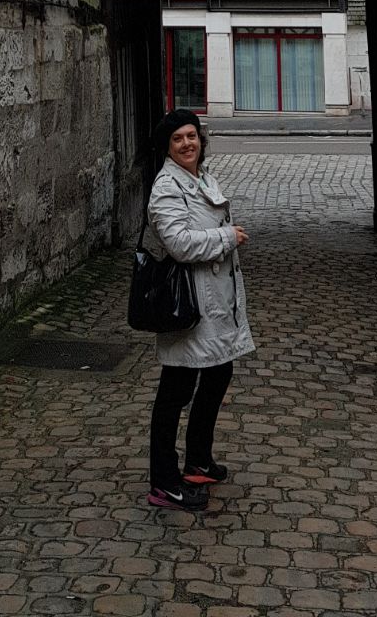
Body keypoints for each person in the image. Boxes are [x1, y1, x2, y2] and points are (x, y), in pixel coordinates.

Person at [144, 107, 254, 511]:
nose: (187, 143)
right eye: (178, 139)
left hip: (214, 300)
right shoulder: (166, 187)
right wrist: (226, 237)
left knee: (219, 372)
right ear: (167, 147)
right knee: (174, 392)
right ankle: (164, 482)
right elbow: (179, 243)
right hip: (188, 305)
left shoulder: (201, 177)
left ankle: (198, 461)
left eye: (191, 136)